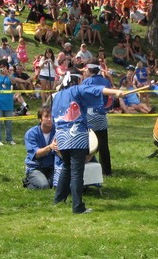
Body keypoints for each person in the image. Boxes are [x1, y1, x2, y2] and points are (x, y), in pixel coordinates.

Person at [52, 72, 123, 214]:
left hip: (61, 136)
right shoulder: (76, 90)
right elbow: (96, 90)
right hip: (76, 136)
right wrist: (115, 92)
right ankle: (77, 206)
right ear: (76, 81)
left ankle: (58, 200)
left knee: (66, 167)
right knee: (77, 172)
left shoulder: (57, 95)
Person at [82, 62, 114, 175]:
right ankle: (106, 170)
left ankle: (86, 167)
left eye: (86, 69)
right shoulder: (106, 81)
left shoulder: (86, 82)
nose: (85, 71)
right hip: (101, 115)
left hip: (89, 116)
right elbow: (110, 99)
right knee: (103, 145)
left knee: (87, 144)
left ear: (90, 70)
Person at [23, 106, 57, 189]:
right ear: (40, 119)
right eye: (46, 116)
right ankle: (28, 181)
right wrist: (50, 147)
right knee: (44, 186)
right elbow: (36, 154)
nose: (49, 119)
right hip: (35, 167)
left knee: (58, 185)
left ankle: (45, 180)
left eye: (51, 116)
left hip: (52, 167)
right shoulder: (31, 133)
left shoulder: (58, 131)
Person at [0, 59, 19, 146]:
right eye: (0, 67)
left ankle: (9, 139)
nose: (2, 68)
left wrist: (8, 73)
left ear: (7, 67)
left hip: (8, 102)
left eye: (4, 67)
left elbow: (14, 82)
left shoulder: (9, 76)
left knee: (8, 122)